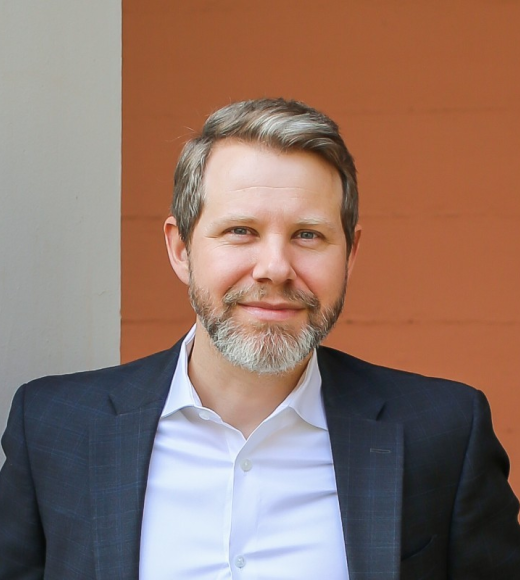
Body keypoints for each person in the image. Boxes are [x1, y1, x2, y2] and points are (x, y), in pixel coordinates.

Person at [0, 98, 519, 580]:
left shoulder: (444, 434)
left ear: (350, 254)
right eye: (241, 231)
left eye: (308, 235)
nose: (274, 268)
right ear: (180, 249)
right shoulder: (54, 429)